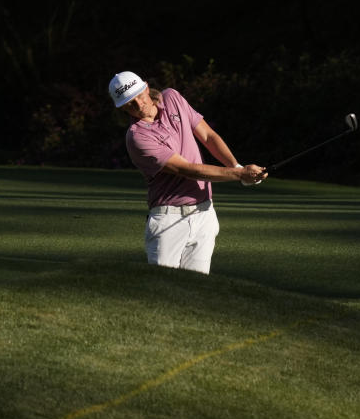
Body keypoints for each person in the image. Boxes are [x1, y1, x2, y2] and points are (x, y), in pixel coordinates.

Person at [109, 71, 266, 274]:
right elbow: (188, 170)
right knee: (163, 293)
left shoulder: (172, 98)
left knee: (199, 293)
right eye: (130, 104)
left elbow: (208, 136)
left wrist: (236, 166)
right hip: (169, 221)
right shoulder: (137, 137)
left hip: (204, 215)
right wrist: (240, 174)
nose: (138, 105)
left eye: (139, 96)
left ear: (146, 88)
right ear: (122, 108)